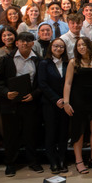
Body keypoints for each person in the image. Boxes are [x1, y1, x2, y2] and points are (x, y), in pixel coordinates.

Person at [0, 32, 43, 177]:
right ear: (17, 43)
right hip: (11, 103)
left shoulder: (38, 60)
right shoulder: (6, 59)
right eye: (22, 41)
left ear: (33, 43)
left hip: (31, 103)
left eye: (29, 41)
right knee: (11, 135)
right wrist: (6, 92)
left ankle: (33, 162)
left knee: (31, 134)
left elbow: (42, 83)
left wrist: (34, 94)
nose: (25, 44)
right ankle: (10, 164)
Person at [62, 37, 92, 174]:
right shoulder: (73, 62)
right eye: (79, 45)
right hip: (78, 100)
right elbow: (67, 83)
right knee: (78, 131)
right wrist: (66, 102)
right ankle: (79, 161)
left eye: (84, 45)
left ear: (89, 46)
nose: (82, 47)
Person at [37, 38, 70, 174]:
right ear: (51, 47)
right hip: (50, 103)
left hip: (65, 103)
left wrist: (65, 100)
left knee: (63, 133)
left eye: (61, 47)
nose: (58, 49)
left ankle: (62, 159)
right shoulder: (44, 63)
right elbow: (42, 84)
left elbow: (69, 83)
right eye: (56, 46)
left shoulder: (68, 63)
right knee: (51, 133)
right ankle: (53, 161)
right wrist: (56, 99)